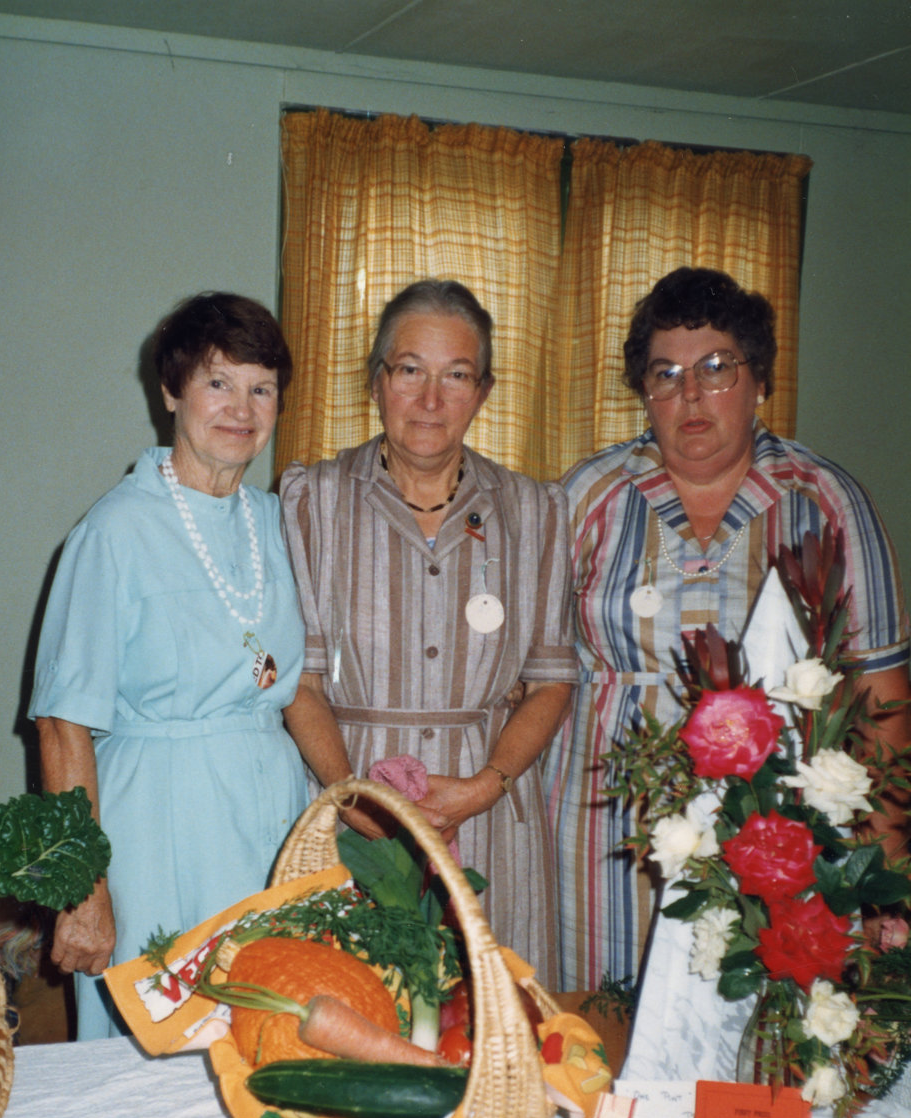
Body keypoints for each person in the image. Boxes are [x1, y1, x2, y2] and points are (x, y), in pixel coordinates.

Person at [544, 265, 910, 993]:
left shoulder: (826, 499)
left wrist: (884, 886)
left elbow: (882, 698)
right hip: (601, 835)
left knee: (745, 1035)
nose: (691, 394)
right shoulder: (589, 495)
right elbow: (529, 667)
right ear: (644, 393)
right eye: (665, 373)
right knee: (602, 1034)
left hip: (777, 829)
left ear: (760, 380)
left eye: (716, 367)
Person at [280, 279, 578, 988]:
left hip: (487, 815)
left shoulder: (535, 510)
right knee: (351, 1017)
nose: (430, 398)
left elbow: (551, 680)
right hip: (350, 812)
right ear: (378, 381)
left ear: (483, 390)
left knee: (492, 1029)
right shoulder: (312, 500)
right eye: (410, 370)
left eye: (456, 375)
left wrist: (484, 786)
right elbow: (300, 679)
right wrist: (353, 798)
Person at [30, 293, 308, 1037]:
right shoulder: (114, 531)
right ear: (171, 390)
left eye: (262, 388)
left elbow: (290, 681)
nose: (241, 408)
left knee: (270, 1033)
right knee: (164, 1046)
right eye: (219, 382)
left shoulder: (277, 522)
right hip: (158, 825)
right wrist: (82, 890)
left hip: (268, 819)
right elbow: (63, 724)